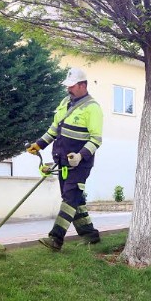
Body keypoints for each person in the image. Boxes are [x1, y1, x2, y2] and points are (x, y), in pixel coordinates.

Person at [27, 67, 103, 251]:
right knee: (74, 198)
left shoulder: (93, 108)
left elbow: (96, 139)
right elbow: (54, 130)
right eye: (68, 86)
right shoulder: (64, 103)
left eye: (72, 86)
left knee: (69, 198)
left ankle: (55, 239)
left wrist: (80, 155)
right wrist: (39, 144)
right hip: (62, 161)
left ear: (83, 85)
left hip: (80, 164)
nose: (68, 89)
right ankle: (90, 234)